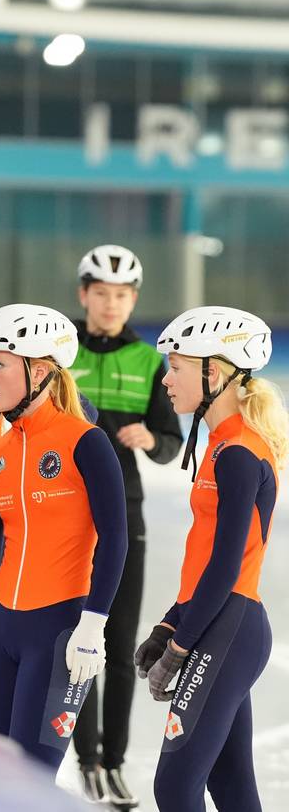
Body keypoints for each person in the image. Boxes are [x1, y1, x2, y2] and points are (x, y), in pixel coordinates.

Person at [0, 303, 128, 771]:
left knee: (30, 784)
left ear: (41, 371)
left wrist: (94, 624)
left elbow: (115, 537)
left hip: (59, 634)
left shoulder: (86, 442)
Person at [133, 306, 284, 812]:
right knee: (232, 785)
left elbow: (225, 566)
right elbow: (205, 563)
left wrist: (181, 644)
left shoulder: (240, 451)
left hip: (229, 626)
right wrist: (168, 624)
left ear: (212, 373)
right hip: (222, 622)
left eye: (175, 367)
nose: (166, 380)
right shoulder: (221, 445)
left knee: (174, 788)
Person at [71, 244, 182, 807]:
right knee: (76, 639)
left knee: (117, 644)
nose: (111, 304)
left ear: (132, 300)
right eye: (101, 294)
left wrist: (151, 439)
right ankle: (84, 757)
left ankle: (112, 762)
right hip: (65, 512)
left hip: (126, 512)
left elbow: (172, 443)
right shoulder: (59, 349)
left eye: (122, 296)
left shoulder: (148, 361)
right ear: (83, 295)